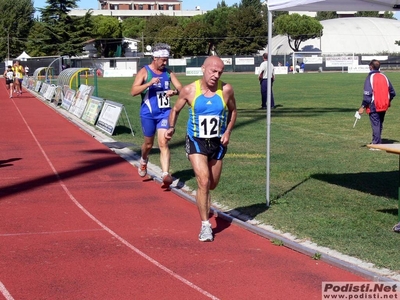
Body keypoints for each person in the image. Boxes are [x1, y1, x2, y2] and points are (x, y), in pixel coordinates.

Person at [165, 56, 237, 242]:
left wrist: (228, 131)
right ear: (203, 69)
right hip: (196, 140)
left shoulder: (226, 89)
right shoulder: (189, 90)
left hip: (218, 142)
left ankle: (204, 200)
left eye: (219, 72)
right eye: (213, 71)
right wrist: (171, 127)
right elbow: (175, 110)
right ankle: (206, 225)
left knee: (212, 184)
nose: (216, 75)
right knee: (203, 181)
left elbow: (233, 111)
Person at [130, 43, 182, 188]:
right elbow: (133, 92)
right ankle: (143, 160)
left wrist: (174, 92)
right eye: (163, 60)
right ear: (155, 58)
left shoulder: (168, 73)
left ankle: (165, 174)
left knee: (163, 142)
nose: (165, 63)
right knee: (148, 144)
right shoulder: (145, 72)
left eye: (166, 60)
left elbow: (181, 89)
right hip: (148, 113)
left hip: (165, 113)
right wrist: (149, 84)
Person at [358, 59, 396, 147]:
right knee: (379, 123)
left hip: (374, 104)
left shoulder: (370, 77)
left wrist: (362, 106)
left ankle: (376, 143)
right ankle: (378, 140)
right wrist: (388, 101)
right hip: (384, 104)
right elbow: (392, 92)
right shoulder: (384, 76)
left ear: (371, 67)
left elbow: (367, 94)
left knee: (375, 123)